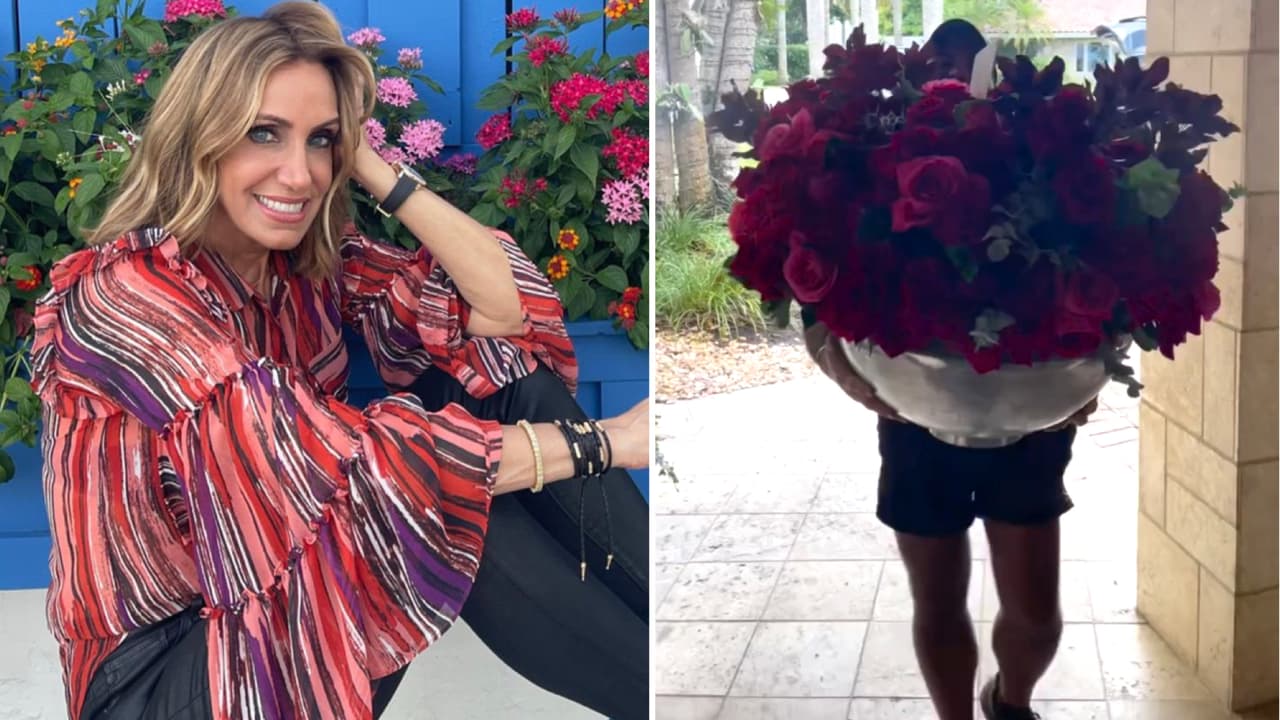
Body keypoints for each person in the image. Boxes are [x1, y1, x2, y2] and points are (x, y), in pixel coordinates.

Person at [31, 3, 649, 719]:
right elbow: (346, 474)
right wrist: (605, 442)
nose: (299, 175)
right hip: (155, 678)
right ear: (198, 136)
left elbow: (504, 310)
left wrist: (374, 167)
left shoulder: (302, 266)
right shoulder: (124, 296)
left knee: (508, 387)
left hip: (261, 603)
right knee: (415, 495)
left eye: (321, 140)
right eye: (263, 132)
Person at [803, 19, 1098, 720]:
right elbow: (813, 297)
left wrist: (1087, 373)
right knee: (936, 600)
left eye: (967, 69)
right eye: (941, 68)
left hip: (1027, 420)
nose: (955, 83)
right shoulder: (881, 159)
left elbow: (1101, 283)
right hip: (916, 416)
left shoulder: (1030, 159)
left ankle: (1010, 701)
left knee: (1037, 614)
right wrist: (841, 366)